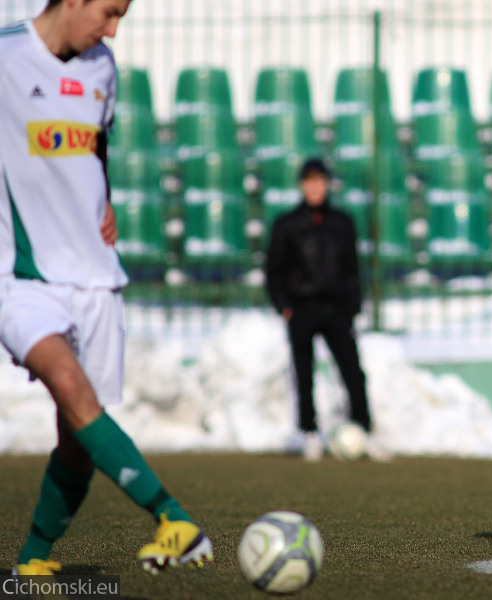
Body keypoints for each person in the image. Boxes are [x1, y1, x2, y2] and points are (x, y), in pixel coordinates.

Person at [0, 0, 213, 576]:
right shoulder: (5, 56)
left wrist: (105, 199)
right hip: (23, 276)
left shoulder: (102, 67)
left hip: (98, 277)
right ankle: (173, 518)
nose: (113, 29)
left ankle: (33, 562)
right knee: (67, 382)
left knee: (77, 436)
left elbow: (95, 146)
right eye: (108, 12)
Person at [265, 157, 375, 460]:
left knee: (352, 370)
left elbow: (353, 268)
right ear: (302, 185)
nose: (315, 187)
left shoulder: (343, 223)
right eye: (309, 181)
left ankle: (364, 429)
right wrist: (284, 307)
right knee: (303, 372)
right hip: (301, 309)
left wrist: (353, 303)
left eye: (320, 181)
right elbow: (273, 270)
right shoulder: (286, 224)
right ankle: (308, 432)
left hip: (337, 308)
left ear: (327, 184)